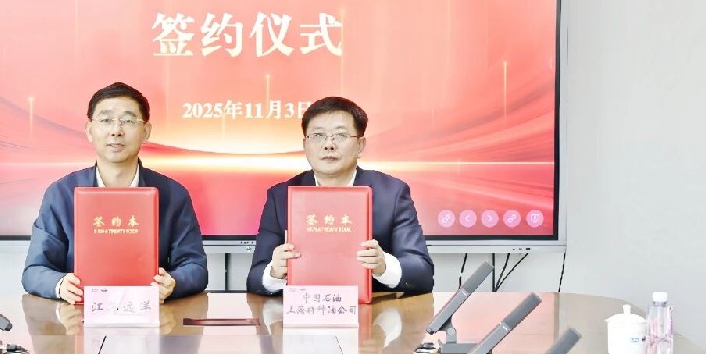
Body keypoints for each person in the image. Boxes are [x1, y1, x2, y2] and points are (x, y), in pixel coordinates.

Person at [22, 82, 208, 303]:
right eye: (106, 120)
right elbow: (34, 271)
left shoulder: (173, 194)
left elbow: (195, 267)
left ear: (146, 132)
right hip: (78, 316)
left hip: (152, 314)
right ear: (90, 131)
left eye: (128, 121)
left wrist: (173, 283)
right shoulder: (61, 194)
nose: (116, 131)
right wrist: (60, 284)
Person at [246, 96, 434, 296]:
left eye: (340, 135)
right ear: (305, 144)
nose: (329, 145)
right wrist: (274, 272)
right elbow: (255, 278)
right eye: (318, 135)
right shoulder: (281, 196)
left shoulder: (391, 193)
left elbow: (421, 272)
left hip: (371, 312)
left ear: (360, 145)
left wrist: (384, 266)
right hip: (303, 310)